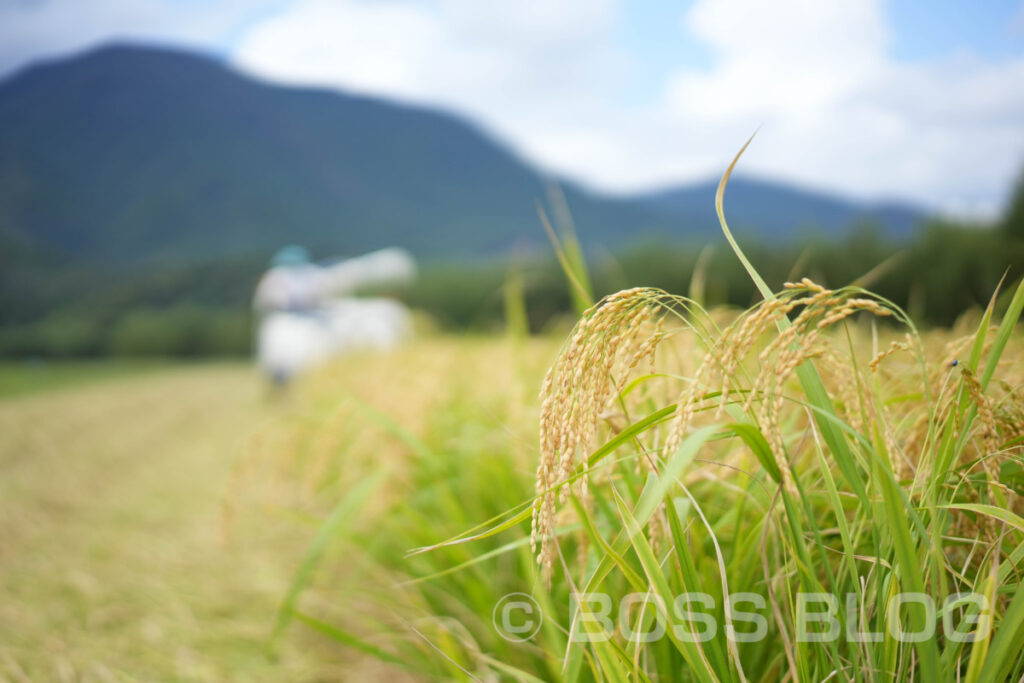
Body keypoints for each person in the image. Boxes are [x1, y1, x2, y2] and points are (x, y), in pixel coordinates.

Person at [253, 245, 415, 387]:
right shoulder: (298, 278)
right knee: (288, 361)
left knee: (291, 361)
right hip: (294, 330)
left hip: (296, 330)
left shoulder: (278, 280)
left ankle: (285, 389)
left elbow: (267, 303)